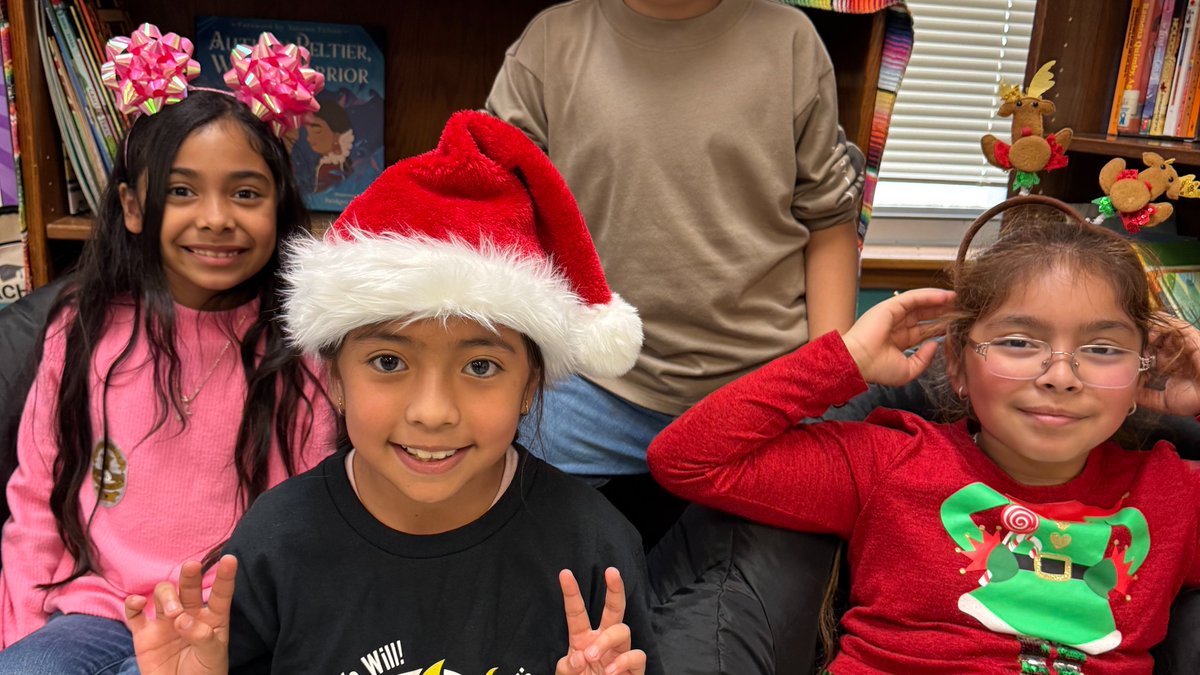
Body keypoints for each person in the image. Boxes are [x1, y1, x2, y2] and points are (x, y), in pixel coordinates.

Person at [123, 110, 661, 675]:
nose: (432, 412)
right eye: (388, 361)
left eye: (480, 366)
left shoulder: (592, 546)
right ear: (333, 377)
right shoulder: (278, 540)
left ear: (530, 383)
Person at [647, 195, 1200, 673]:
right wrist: (848, 359)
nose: (1059, 376)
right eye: (1018, 343)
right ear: (957, 364)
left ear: (1142, 372)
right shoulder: (893, 463)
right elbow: (689, 459)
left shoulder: (1173, 496)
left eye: (1101, 350)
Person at [0, 25, 336, 674]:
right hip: (91, 611)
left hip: (222, 626)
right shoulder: (81, 328)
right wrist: (18, 635)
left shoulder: (300, 351)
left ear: (281, 204)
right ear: (131, 205)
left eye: (245, 192)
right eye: (182, 191)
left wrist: (222, 626)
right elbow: (37, 492)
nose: (215, 218)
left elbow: (303, 521)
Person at [487, 0, 865, 540]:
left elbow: (829, 218)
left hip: (762, 383)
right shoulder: (552, 41)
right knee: (497, 528)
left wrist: (824, 378)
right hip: (593, 386)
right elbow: (496, 211)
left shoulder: (789, 40)